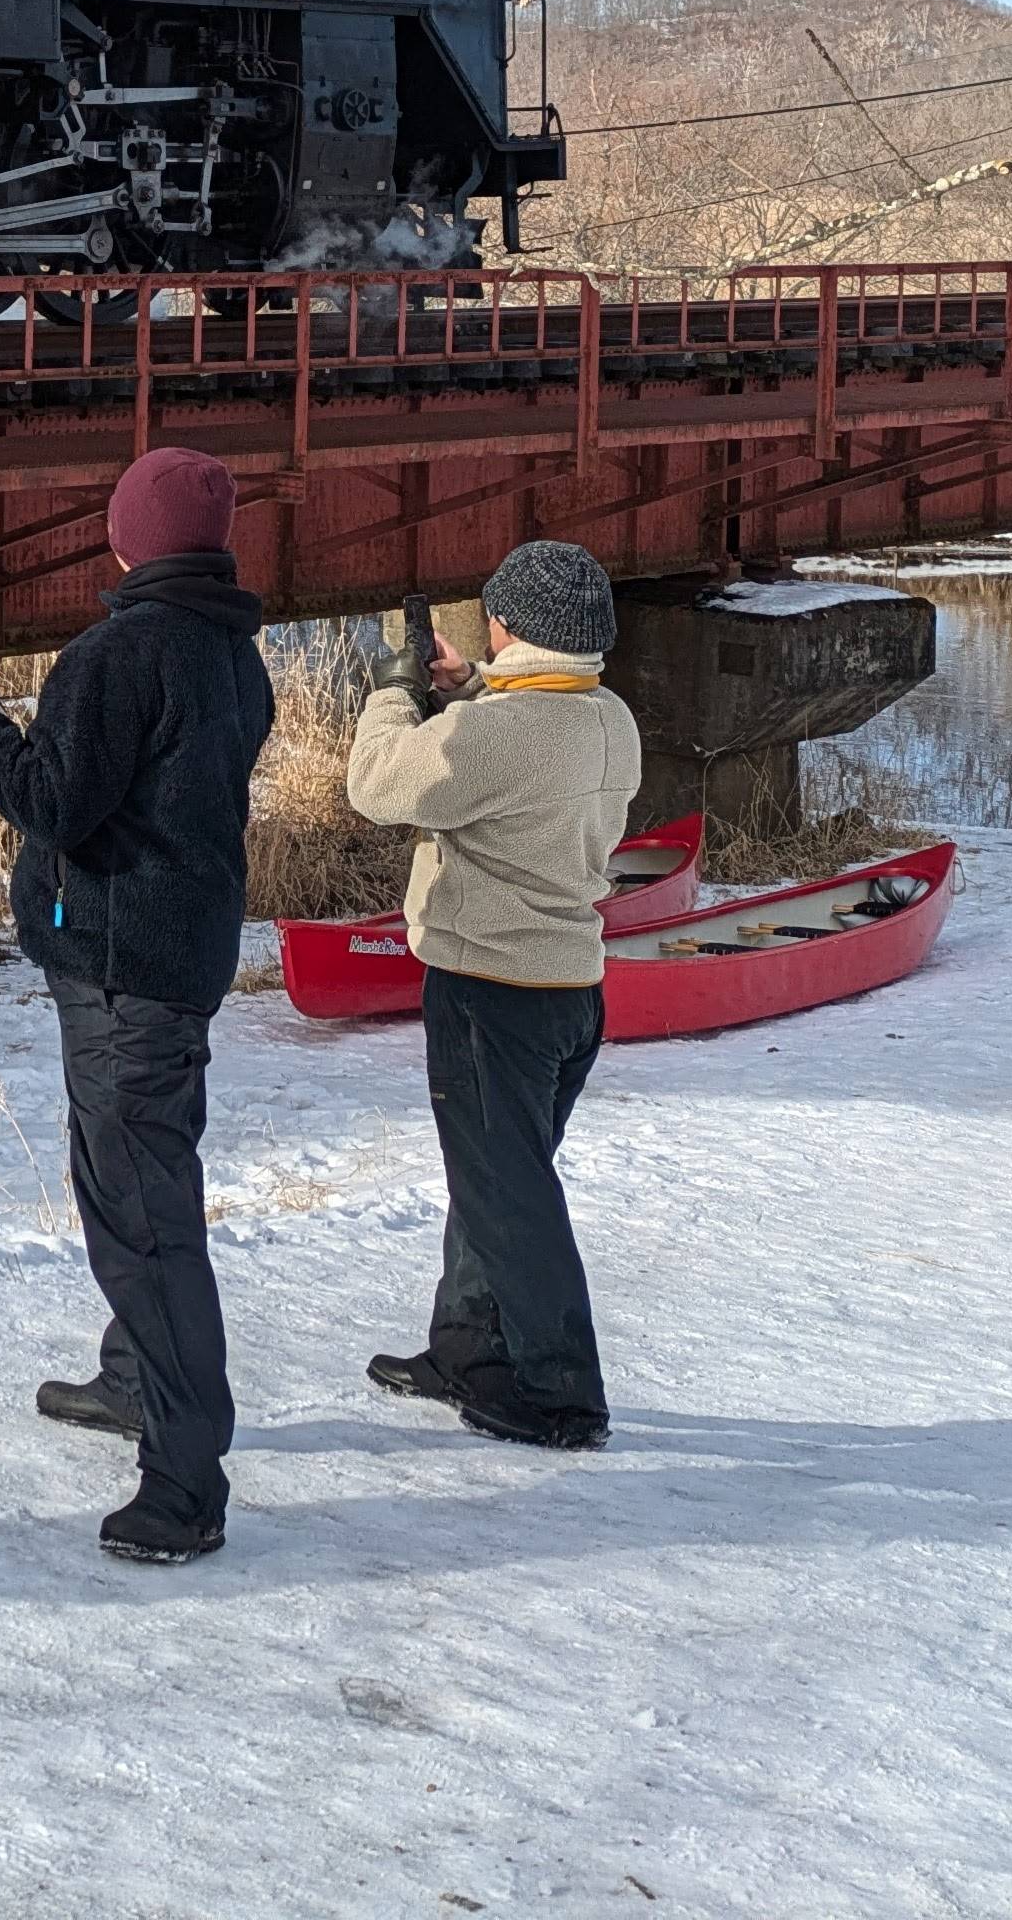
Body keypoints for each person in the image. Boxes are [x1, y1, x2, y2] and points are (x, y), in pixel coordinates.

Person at [0, 445, 276, 1565]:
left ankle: (184, 1482)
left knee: (144, 1219)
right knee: (136, 1181)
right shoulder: (230, 649)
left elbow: (50, 800)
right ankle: (134, 1377)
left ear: (125, 538)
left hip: (125, 972)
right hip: (169, 956)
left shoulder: (117, 653)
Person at [343, 539, 645, 1451]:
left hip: (489, 992)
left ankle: (562, 1394)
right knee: (496, 1183)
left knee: (510, 1197)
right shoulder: (609, 717)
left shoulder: (502, 733)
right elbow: (521, 734)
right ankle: (465, 1350)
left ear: (511, 624)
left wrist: (397, 689)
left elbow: (377, 785)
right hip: (566, 990)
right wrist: (475, 679)